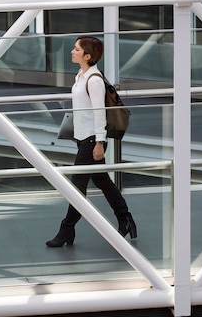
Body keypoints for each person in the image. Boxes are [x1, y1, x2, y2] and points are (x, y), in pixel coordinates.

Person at [46, 36, 137, 248]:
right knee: (103, 181)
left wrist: (99, 143)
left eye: (76, 49)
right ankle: (125, 219)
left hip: (92, 141)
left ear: (87, 56)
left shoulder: (93, 80)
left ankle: (66, 229)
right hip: (83, 139)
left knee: (77, 188)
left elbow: (99, 114)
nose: (72, 51)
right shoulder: (81, 75)